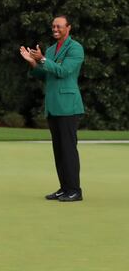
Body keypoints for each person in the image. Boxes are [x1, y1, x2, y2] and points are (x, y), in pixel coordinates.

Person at [19, 15, 84, 202]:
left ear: (68, 28)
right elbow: (45, 75)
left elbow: (63, 71)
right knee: (59, 150)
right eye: (53, 26)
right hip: (54, 106)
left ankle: (75, 190)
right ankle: (64, 188)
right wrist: (32, 62)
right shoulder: (49, 49)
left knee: (68, 150)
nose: (55, 29)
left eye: (59, 26)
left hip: (68, 106)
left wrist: (42, 59)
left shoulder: (75, 48)